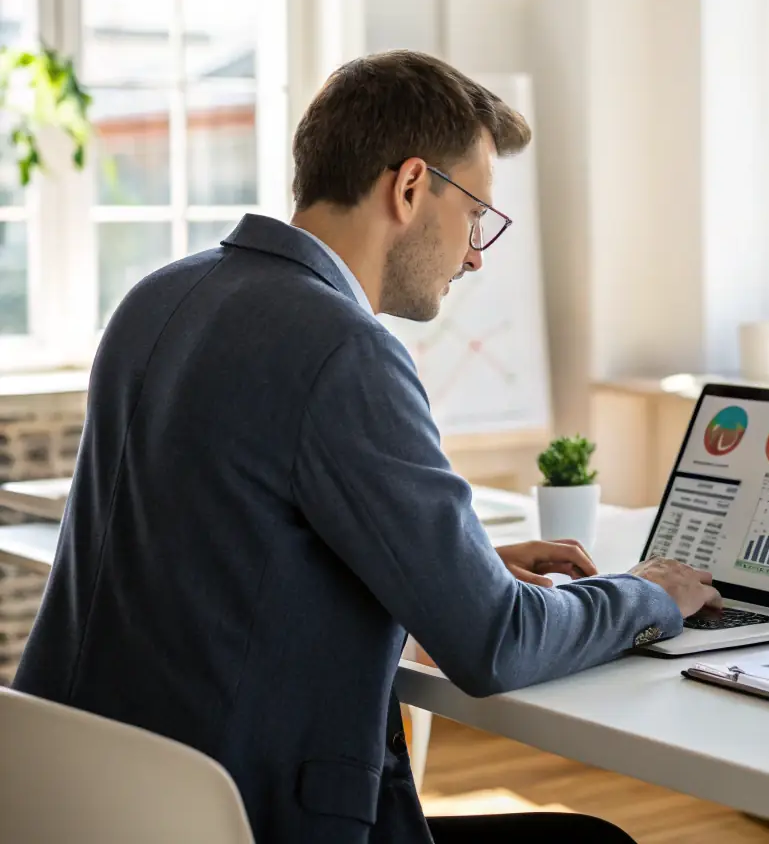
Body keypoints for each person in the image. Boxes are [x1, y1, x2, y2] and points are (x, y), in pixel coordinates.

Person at [14, 50, 721, 844]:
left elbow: (224, 544)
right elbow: (496, 643)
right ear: (411, 186)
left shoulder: (157, 296)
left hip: (92, 802)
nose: (477, 253)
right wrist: (653, 592)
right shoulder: (342, 349)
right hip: (249, 816)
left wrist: (454, 565)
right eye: (476, 215)